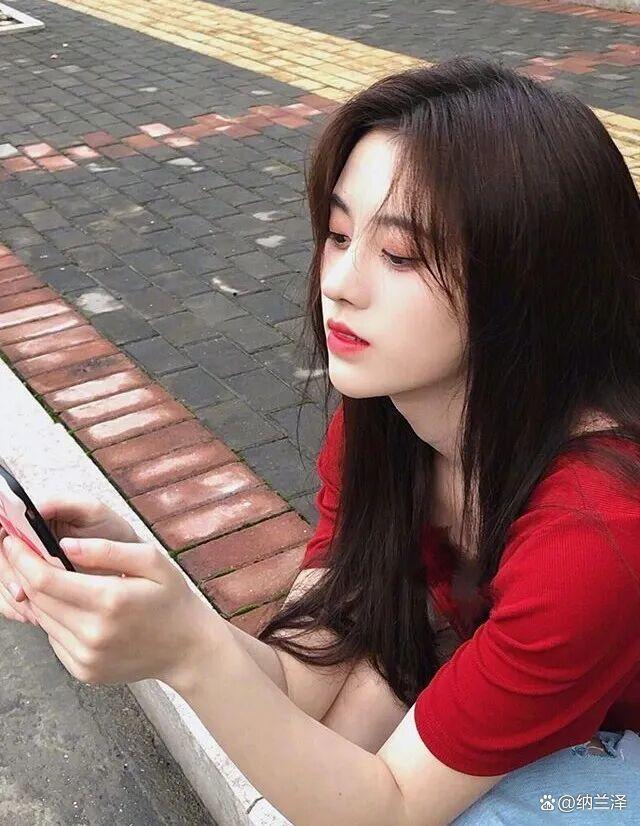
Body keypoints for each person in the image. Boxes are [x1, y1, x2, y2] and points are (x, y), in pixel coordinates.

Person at [1, 55, 640, 824]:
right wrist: (154, 598)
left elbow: (390, 809)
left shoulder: (598, 532)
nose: (338, 281)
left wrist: (190, 653)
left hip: (613, 767)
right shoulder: (388, 423)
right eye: (339, 235)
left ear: (529, 285)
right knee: (350, 709)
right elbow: (303, 678)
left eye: (400, 255)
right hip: (533, 696)